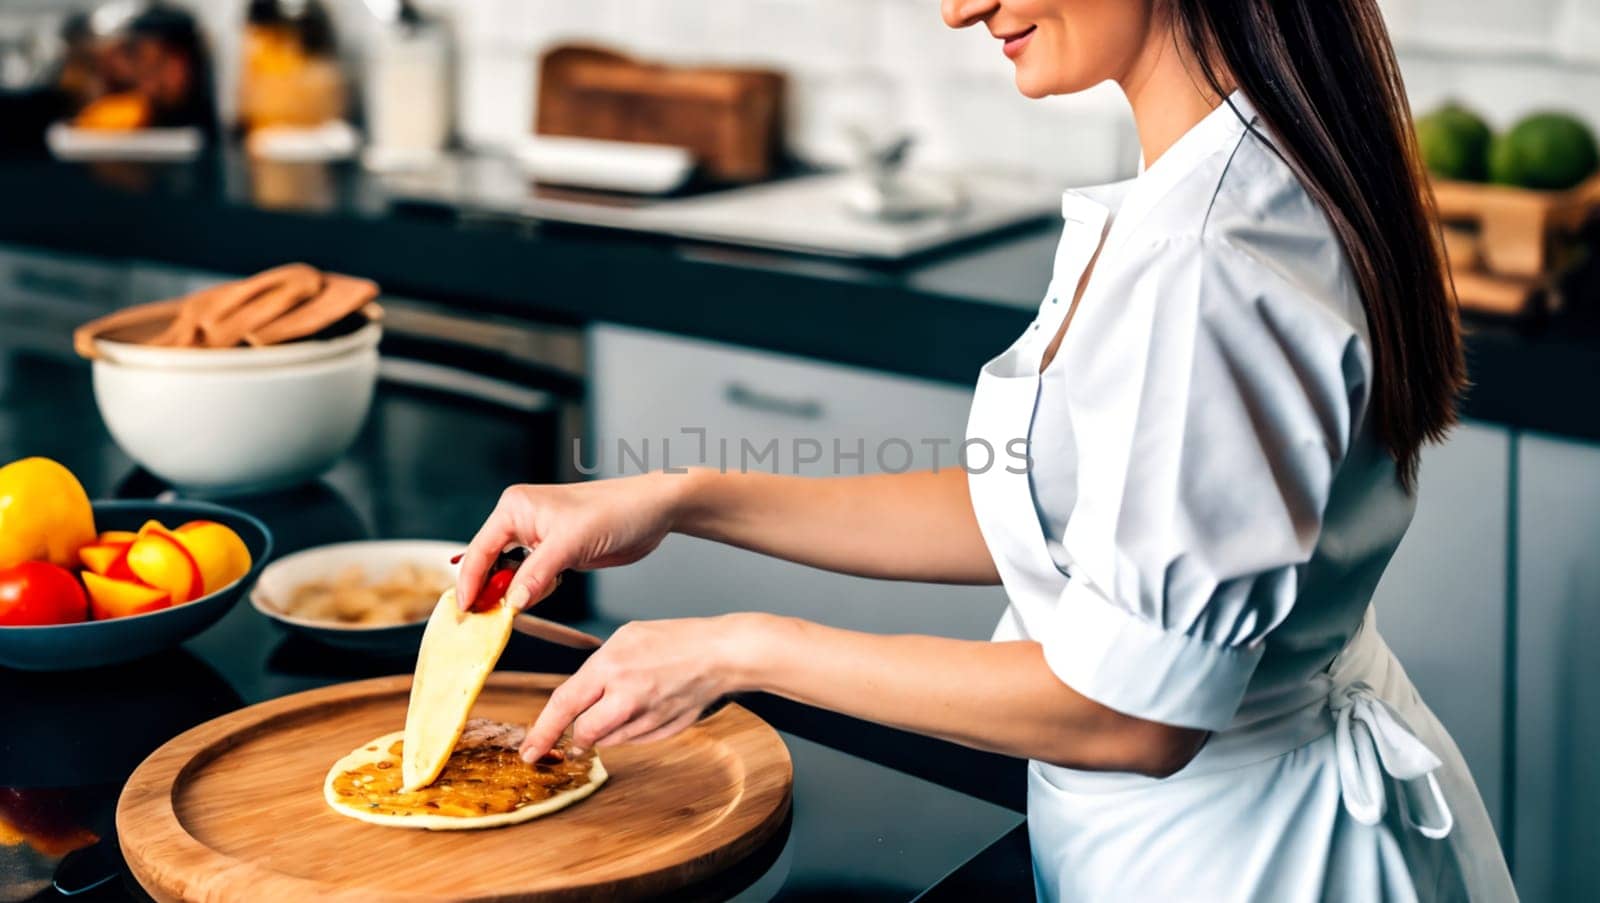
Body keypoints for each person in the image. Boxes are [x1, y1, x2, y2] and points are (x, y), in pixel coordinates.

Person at [455, 1, 1516, 898]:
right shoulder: (1218, 179)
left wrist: (738, 649)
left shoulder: (1203, 263)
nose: (960, 6)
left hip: (1239, 862)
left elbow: (1130, 713)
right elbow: (1065, 520)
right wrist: (681, 497)